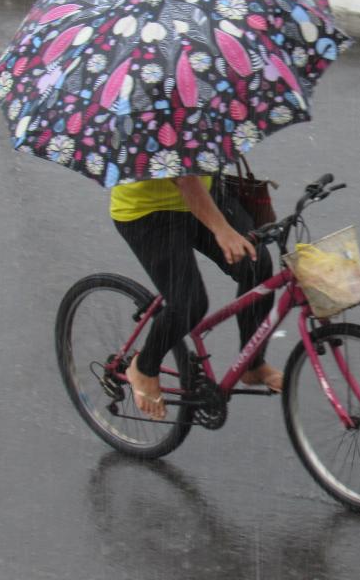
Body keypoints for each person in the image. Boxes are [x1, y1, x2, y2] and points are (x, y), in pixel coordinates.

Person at [112, 173, 282, 420]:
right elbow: (183, 178)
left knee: (257, 267)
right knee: (189, 304)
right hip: (148, 213)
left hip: (202, 195)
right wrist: (222, 229)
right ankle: (143, 368)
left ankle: (252, 365)